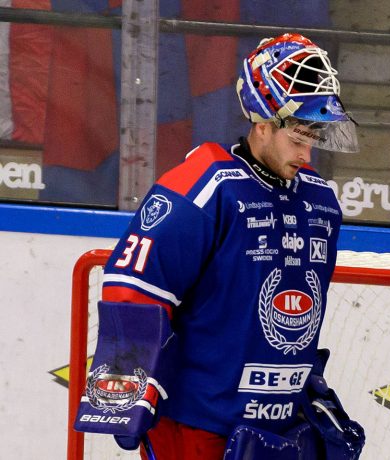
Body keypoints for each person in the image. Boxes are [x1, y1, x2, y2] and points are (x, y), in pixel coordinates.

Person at [74, 33, 364, 460]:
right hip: (196, 426)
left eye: (315, 135)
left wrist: (306, 382)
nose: (308, 151)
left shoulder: (321, 203)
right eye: (299, 136)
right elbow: (134, 282)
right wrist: (126, 388)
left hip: (280, 428)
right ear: (263, 122)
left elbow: (294, 310)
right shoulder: (201, 189)